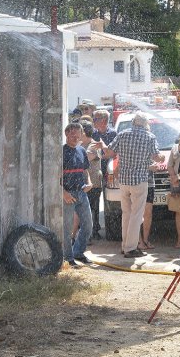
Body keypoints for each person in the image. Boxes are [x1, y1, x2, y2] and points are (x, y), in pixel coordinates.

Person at [106, 112, 163, 258]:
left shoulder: (123, 134)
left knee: (126, 214)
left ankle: (125, 245)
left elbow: (110, 152)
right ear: (145, 123)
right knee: (136, 215)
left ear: (133, 122)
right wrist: (161, 157)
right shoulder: (150, 137)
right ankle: (131, 248)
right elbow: (157, 157)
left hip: (123, 181)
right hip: (140, 180)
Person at [62, 123, 93, 267]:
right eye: (72, 134)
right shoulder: (61, 152)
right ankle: (68, 258)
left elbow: (85, 171)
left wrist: (89, 183)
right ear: (66, 134)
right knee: (67, 228)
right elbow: (54, 176)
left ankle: (78, 252)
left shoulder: (82, 150)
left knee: (88, 225)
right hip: (68, 195)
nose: (75, 137)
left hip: (81, 193)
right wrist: (64, 193)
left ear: (81, 135)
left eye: (78, 134)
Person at [91, 109, 117, 239]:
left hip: (109, 171)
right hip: (95, 171)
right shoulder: (93, 134)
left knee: (109, 202)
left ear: (104, 121)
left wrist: (104, 148)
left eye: (95, 119)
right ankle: (94, 229)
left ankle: (111, 232)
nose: (93, 122)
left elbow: (114, 153)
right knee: (94, 201)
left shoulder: (113, 134)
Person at [78, 121, 103, 246]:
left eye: (79, 131)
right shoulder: (79, 145)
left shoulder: (94, 145)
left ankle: (91, 233)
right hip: (81, 183)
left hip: (93, 183)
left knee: (92, 210)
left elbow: (83, 159)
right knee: (82, 210)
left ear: (84, 132)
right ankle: (84, 234)